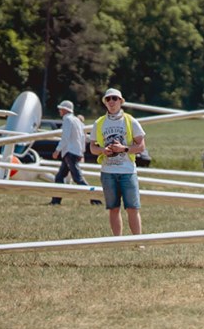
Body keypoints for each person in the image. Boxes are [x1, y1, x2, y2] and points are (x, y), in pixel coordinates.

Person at [90, 87, 146, 236]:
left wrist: (124, 149)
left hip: (128, 171)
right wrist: (103, 150)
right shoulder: (99, 123)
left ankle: (137, 241)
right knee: (113, 208)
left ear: (120, 101)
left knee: (133, 208)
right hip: (108, 172)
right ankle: (117, 240)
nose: (111, 102)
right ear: (105, 103)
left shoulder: (130, 121)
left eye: (115, 98)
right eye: (108, 99)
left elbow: (141, 146)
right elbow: (92, 147)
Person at [51, 99, 89, 205]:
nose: (59, 111)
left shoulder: (67, 120)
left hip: (69, 152)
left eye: (60, 109)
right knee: (59, 177)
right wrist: (82, 151)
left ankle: (95, 198)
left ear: (64, 110)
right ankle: (56, 201)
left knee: (78, 178)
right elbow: (82, 137)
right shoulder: (77, 120)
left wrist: (57, 150)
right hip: (74, 152)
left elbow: (65, 138)